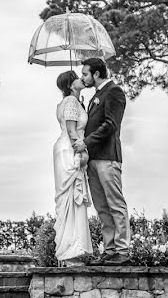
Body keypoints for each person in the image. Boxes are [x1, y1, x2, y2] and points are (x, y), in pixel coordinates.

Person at [74, 57, 129, 265]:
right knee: (102, 207)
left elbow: (110, 125)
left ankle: (123, 251)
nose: (83, 77)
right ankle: (110, 250)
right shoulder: (95, 96)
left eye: (85, 74)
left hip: (108, 157)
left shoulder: (114, 92)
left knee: (116, 204)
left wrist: (85, 142)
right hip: (93, 159)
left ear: (97, 74)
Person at [52, 70, 93, 266]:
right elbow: (71, 129)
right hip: (70, 148)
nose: (82, 79)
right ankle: (71, 250)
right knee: (72, 198)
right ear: (70, 84)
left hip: (67, 146)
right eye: (77, 77)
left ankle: (73, 248)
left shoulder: (73, 101)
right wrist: (82, 150)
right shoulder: (70, 101)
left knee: (73, 199)